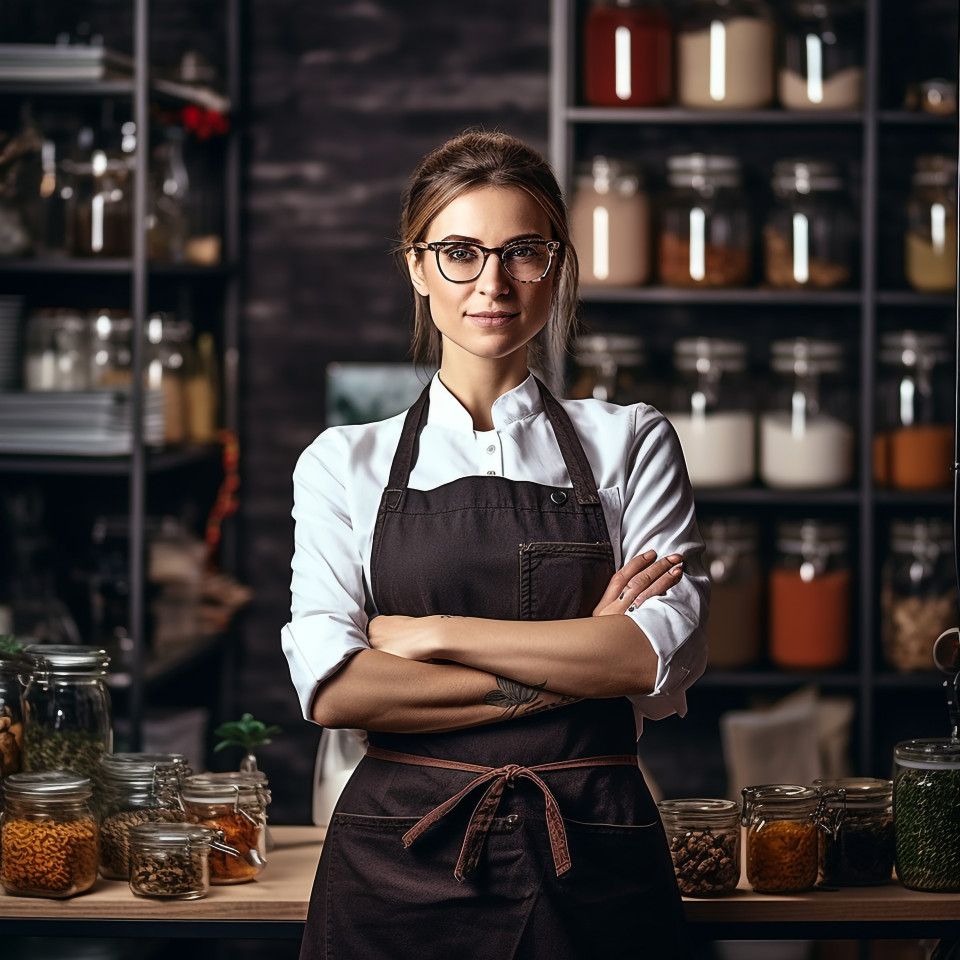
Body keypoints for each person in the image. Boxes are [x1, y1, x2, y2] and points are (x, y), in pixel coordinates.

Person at [282, 130, 709, 960]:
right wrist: (576, 668)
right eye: (459, 252)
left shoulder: (632, 441)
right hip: (393, 859)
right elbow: (336, 691)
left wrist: (434, 634)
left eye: (523, 251)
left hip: (594, 850)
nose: (493, 283)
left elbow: (657, 657)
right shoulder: (343, 461)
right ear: (416, 266)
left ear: (556, 265)